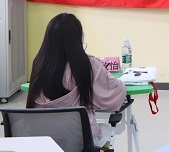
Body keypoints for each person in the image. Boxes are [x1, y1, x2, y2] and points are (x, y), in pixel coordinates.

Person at [26, 13, 127, 149]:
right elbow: (114, 95)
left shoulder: (38, 63)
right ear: (78, 38)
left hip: (42, 142)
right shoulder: (88, 64)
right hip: (78, 141)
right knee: (105, 132)